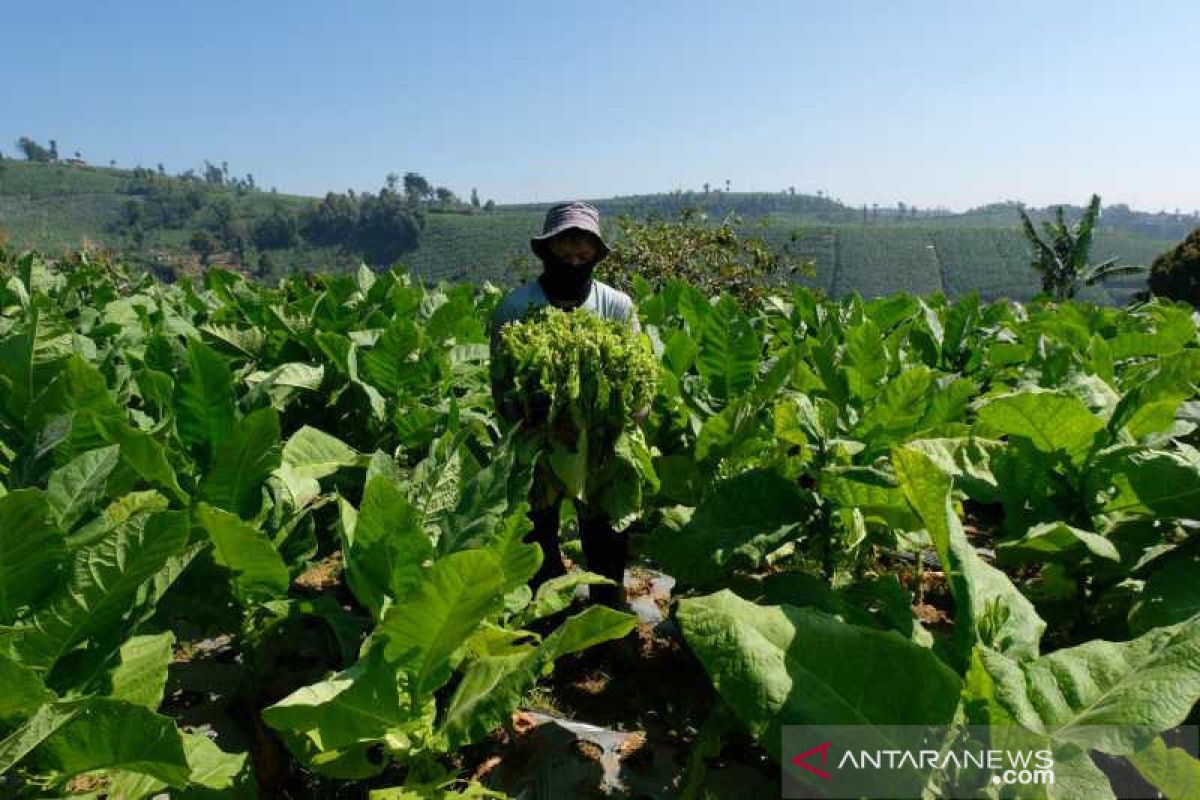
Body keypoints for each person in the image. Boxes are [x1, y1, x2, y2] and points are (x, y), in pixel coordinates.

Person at [489, 201, 640, 608]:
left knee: (607, 534)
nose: (574, 261)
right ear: (547, 252)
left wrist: (614, 415)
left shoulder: (617, 306)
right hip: (539, 445)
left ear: (595, 255)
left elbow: (640, 388)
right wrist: (541, 416)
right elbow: (502, 391)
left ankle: (609, 610)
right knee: (537, 537)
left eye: (583, 254)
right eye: (565, 252)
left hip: (602, 446)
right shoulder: (515, 308)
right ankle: (545, 614)